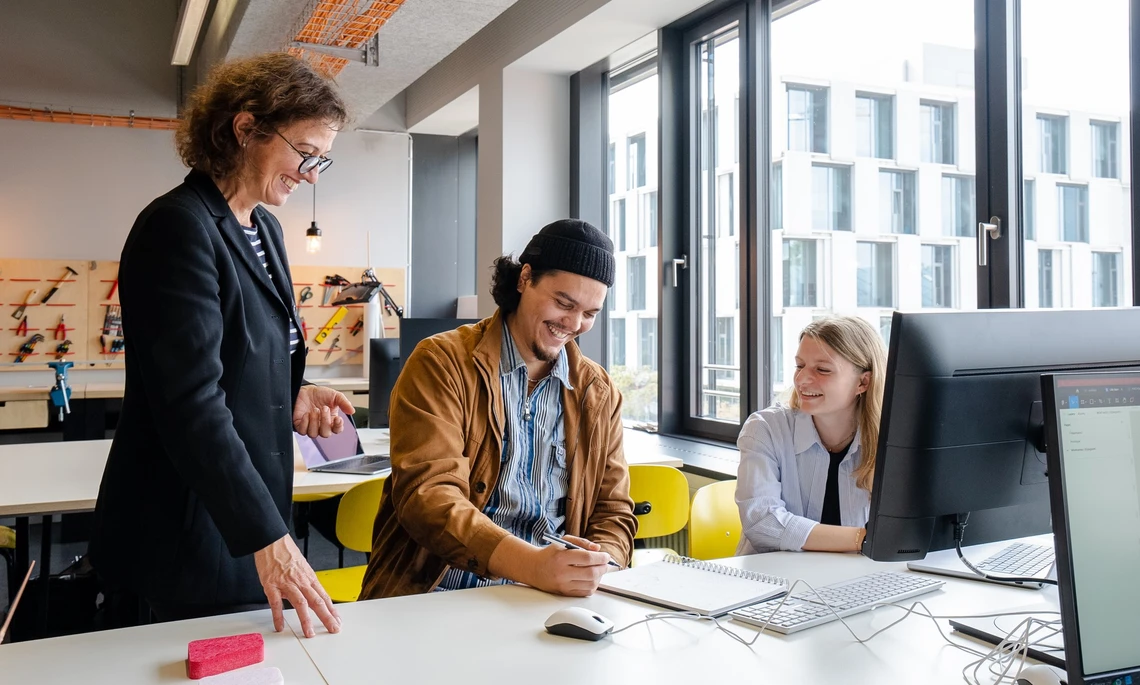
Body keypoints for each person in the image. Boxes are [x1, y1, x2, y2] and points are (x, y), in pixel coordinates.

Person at [88, 53, 353, 638]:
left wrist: (294, 391)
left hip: (240, 522)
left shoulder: (264, 229)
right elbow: (190, 402)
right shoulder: (179, 226)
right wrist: (267, 536)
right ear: (246, 128)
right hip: (185, 531)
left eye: (320, 160)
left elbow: (244, 359)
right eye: (305, 153)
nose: (311, 174)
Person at [359, 219, 637, 599]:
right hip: (439, 593)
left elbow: (614, 510)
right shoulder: (441, 362)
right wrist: (533, 566)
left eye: (589, 314)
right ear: (525, 278)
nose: (573, 324)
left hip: (549, 601)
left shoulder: (598, 392)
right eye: (563, 303)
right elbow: (429, 497)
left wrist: (599, 566)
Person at [735, 316, 887, 554]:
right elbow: (763, 522)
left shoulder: (890, 441)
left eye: (822, 370)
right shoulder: (765, 428)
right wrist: (865, 539)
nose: (801, 379)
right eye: (799, 365)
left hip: (857, 579)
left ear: (863, 382)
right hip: (775, 582)